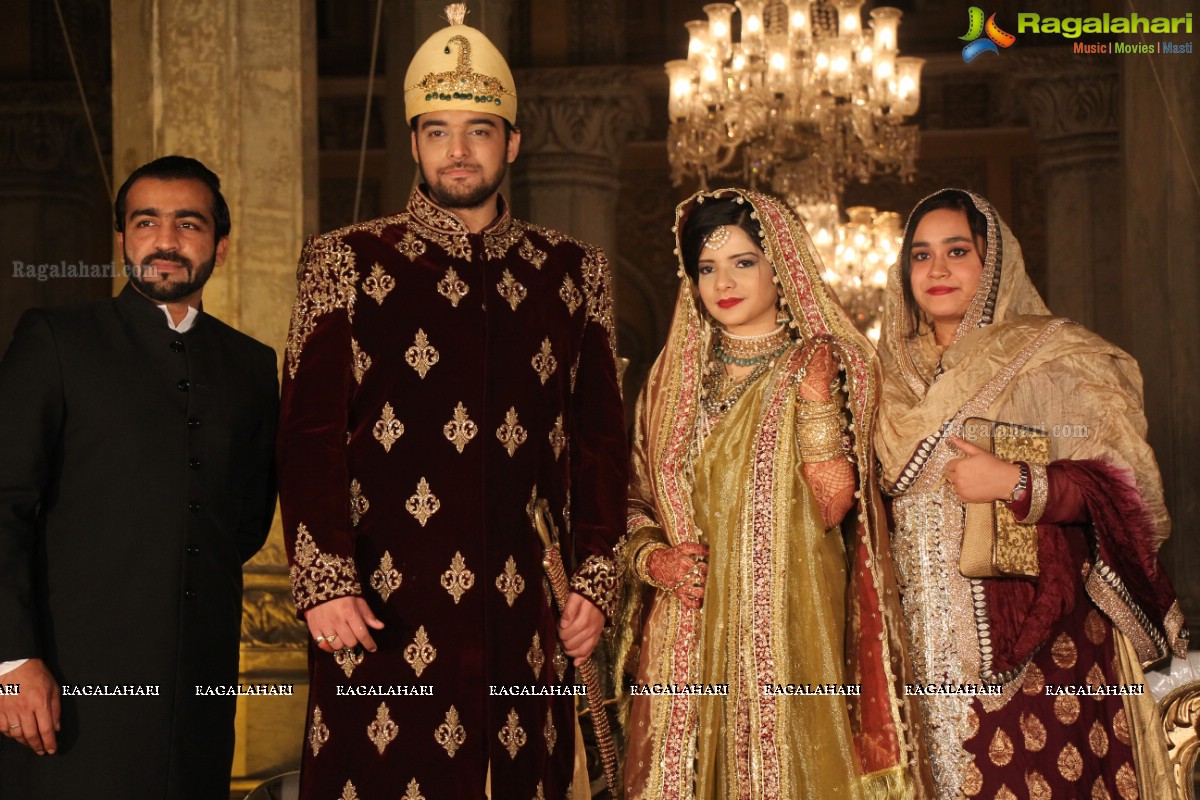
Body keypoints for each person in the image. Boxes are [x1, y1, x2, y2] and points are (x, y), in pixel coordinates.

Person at [276, 5, 627, 799]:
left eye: (478, 130)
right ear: (413, 143)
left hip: (521, 610)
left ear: (513, 142)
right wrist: (326, 578)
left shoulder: (572, 273)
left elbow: (602, 444)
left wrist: (593, 582)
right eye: (437, 131)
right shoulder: (348, 261)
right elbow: (308, 433)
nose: (458, 151)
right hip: (381, 601)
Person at [616, 188, 929, 800]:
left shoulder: (820, 362)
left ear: (779, 268)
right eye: (706, 268)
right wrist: (653, 560)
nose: (723, 283)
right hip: (687, 632)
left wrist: (814, 404)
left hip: (790, 624)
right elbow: (635, 503)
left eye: (742, 262)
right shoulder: (670, 382)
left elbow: (839, 506)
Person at [876, 188, 1187, 798]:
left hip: (1042, 639)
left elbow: (1129, 486)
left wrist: (1018, 482)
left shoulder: (1053, 356)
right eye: (920, 255)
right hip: (910, 646)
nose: (936, 270)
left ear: (991, 261)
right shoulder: (880, 376)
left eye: (956, 250)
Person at [0, 155, 279, 798]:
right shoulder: (57, 340)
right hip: (64, 688)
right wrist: (14, 663)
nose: (166, 240)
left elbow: (242, 522)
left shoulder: (251, 366)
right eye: (146, 221)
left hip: (197, 698)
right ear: (122, 238)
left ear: (221, 245)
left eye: (189, 223)